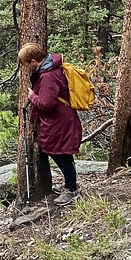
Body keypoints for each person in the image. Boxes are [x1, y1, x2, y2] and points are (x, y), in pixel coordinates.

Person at [18, 42, 83, 205]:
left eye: (26, 63)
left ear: (33, 61)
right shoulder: (50, 68)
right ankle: (70, 185)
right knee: (61, 153)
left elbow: (47, 103)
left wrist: (32, 96)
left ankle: (71, 189)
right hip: (60, 119)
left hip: (59, 121)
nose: (26, 67)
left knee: (61, 154)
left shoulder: (48, 75)